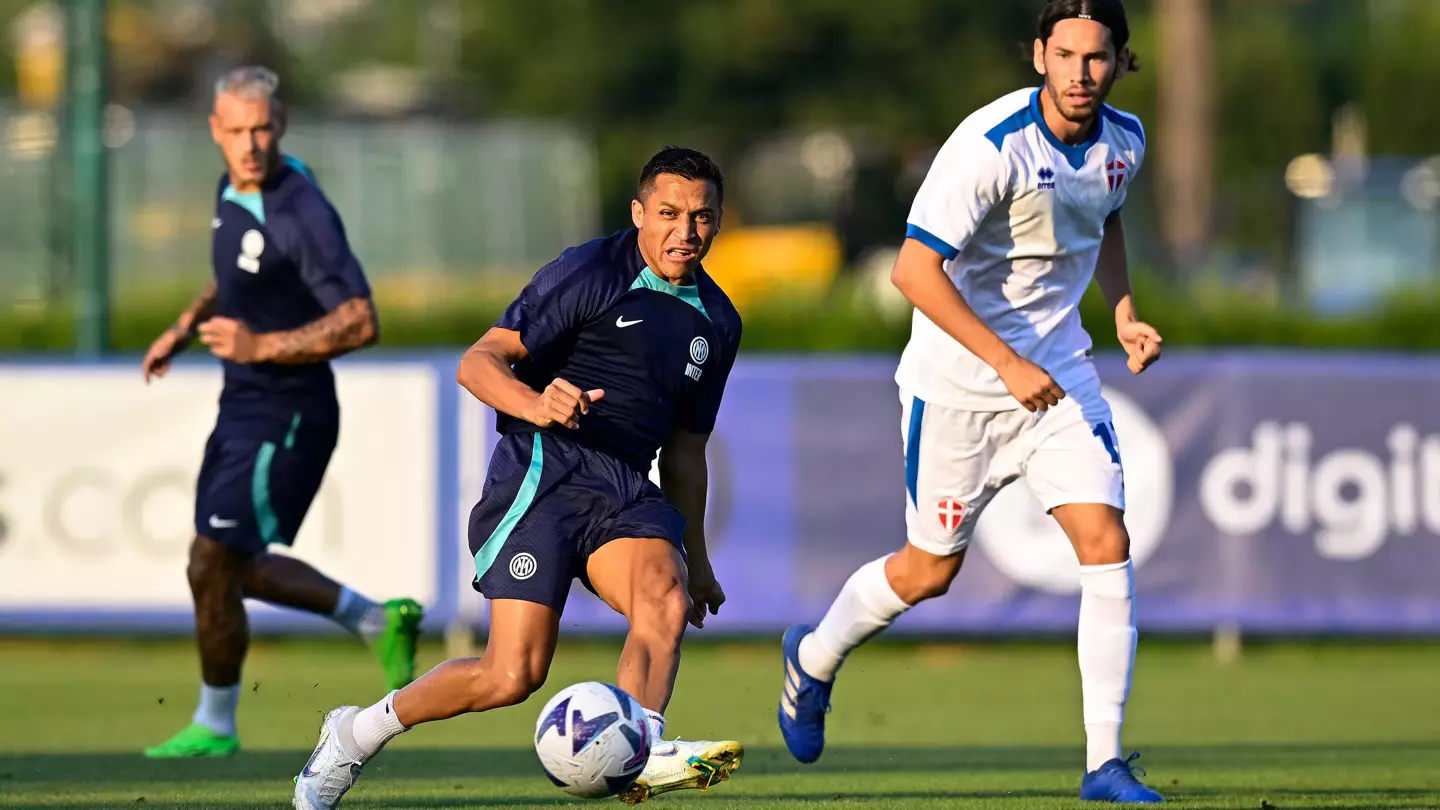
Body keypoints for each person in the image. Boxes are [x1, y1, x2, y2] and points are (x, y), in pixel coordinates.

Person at [776, 0, 1167, 803]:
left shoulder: (1124, 140)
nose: (1081, 73)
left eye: (1097, 57)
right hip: (957, 388)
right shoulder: (991, 146)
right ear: (1038, 56)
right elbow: (913, 274)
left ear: (1122, 61)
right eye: (1065, 55)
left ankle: (1104, 764)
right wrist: (1005, 361)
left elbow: (1105, 213)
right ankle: (813, 659)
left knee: (1106, 540)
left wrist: (1123, 314)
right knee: (927, 573)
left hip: (1058, 378)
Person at [293, 146, 745, 810]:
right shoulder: (591, 270)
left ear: (719, 220)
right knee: (511, 675)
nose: (686, 232)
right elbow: (478, 363)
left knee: (666, 600)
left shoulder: (719, 321)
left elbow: (685, 452)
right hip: (546, 471)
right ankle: (355, 732)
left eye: (702, 217)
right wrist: (538, 404)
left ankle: (640, 750)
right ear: (638, 213)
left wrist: (698, 561)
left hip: (623, 486)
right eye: (670, 213)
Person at [140, 66, 424, 759]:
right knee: (219, 565)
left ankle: (218, 722)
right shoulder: (231, 187)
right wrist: (185, 324)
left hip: (289, 410)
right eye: (237, 131)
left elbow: (361, 320)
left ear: (282, 124)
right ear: (216, 131)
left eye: (262, 128)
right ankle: (373, 620)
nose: (251, 144)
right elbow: (235, 271)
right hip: (242, 401)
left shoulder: (302, 210)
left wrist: (261, 343)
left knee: (215, 559)